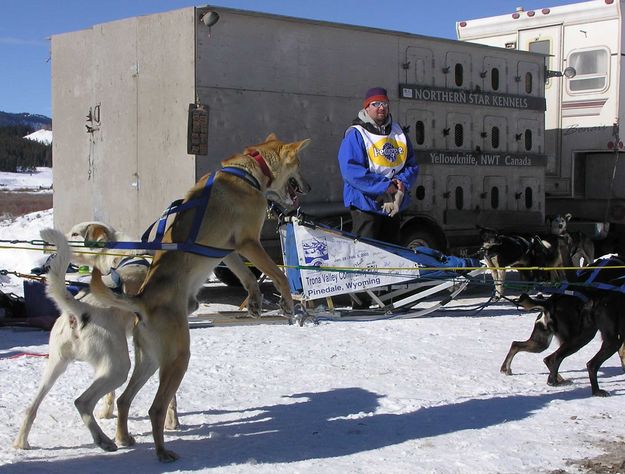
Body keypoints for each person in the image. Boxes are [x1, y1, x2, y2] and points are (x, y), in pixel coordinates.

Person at [338, 87, 419, 245]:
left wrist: (401, 183)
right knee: (366, 251)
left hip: (393, 203)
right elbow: (351, 171)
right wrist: (384, 186)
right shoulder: (356, 134)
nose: (381, 108)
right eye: (376, 104)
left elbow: (411, 164)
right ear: (367, 107)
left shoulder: (398, 132)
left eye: (384, 103)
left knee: (392, 250)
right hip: (365, 204)